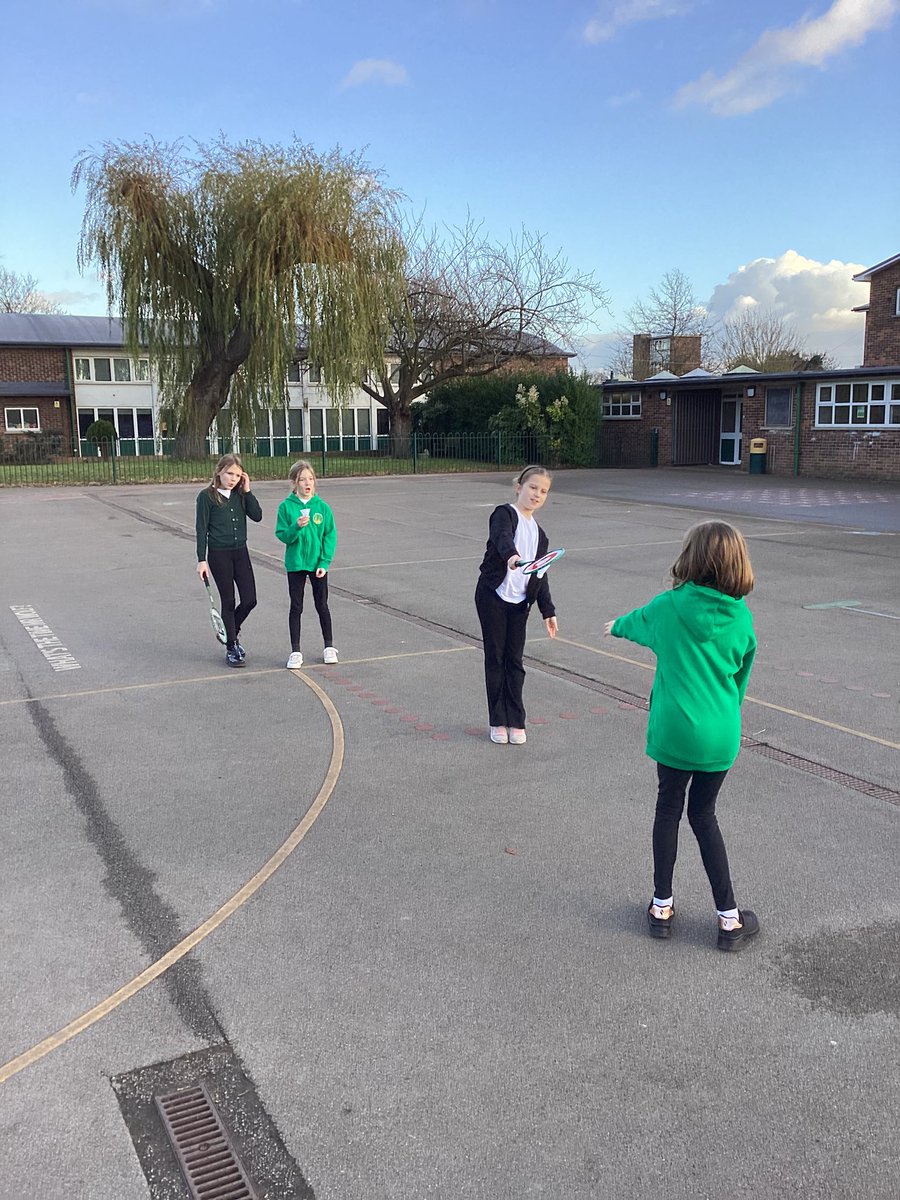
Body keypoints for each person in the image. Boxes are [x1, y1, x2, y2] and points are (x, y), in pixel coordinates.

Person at [604, 520, 759, 951]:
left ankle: (661, 906)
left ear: (690, 558)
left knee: (668, 807)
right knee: (704, 815)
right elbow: (739, 680)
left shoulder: (669, 606)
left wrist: (616, 626)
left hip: (674, 730)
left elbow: (637, 622)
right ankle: (729, 919)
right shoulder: (741, 618)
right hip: (719, 732)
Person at [475, 465, 558, 745]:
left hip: (520, 603)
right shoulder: (504, 514)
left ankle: (516, 720)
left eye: (543, 491)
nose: (537, 494)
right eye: (533, 487)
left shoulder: (540, 535)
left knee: (515, 662)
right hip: (493, 596)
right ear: (519, 487)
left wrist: (548, 611)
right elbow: (502, 538)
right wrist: (511, 557)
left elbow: (540, 572)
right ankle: (498, 720)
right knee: (496, 659)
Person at [196, 454, 262, 668]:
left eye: (236, 474)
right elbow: (201, 530)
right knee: (228, 600)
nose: (232, 479)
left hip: (240, 552)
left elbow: (257, 515)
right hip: (219, 554)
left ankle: (230, 629)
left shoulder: (240, 495)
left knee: (250, 598)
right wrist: (201, 559)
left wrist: (248, 490)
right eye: (228, 474)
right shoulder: (206, 497)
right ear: (219, 472)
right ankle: (232, 645)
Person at [275, 460, 338, 669]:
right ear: (294, 483)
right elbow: (283, 535)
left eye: (310, 479)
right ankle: (295, 651)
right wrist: (296, 527)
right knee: (296, 606)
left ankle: (329, 646)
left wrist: (324, 562)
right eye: (302, 479)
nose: (307, 483)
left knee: (322, 604)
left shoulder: (322, 507)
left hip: (316, 564)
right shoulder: (286, 507)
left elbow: (330, 535)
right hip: (295, 564)